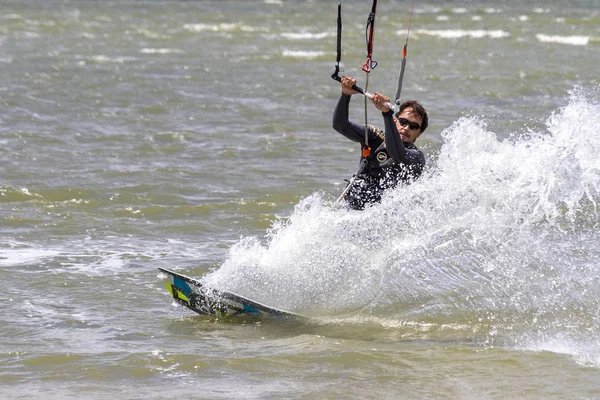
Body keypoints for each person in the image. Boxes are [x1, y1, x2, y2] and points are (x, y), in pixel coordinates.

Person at [332, 76, 428, 210]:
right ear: (395, 121)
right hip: (353, 209)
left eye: (413, 127)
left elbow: (396, 153)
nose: (406, 128)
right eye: (403, 122)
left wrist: (386, 114)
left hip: (383, 217)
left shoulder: (416, 157)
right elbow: (340, 125)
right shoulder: (375, 136)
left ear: (419, 133)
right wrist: (345, 94)